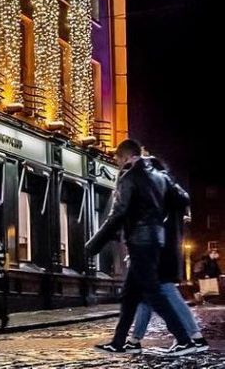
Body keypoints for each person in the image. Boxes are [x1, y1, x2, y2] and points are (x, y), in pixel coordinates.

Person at [85, 139, 200, 356]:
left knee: (154, 294)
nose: (118, 163)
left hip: (140, 242)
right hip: (156, 240)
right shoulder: (159, 175)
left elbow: (117, 214)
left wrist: (94, 244)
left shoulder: (129, 177)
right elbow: (182, 197)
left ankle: (185, 339)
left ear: (126, 157)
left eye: (118, 159)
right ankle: (119, 342)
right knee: (130, 296)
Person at [124, 159, 206, 352]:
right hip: (165, 249)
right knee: (147, 296)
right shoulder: (170, 190)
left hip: (160, 251)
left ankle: (194, 337)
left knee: (166, 290)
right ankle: (134, 340)